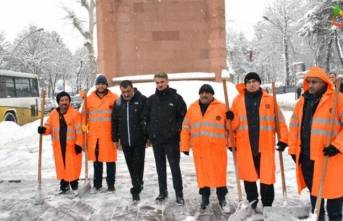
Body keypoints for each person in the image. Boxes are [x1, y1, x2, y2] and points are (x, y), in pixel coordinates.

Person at [288, 67, 343, 221]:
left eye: (314, 82)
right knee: (314, 193)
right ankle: (318, 217)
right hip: (307, 156)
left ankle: (335, 218)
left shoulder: (338, 99)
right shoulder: (302, 102)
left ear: (324, 82)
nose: (310, 85)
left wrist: (338, 146)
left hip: (330, 156)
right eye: (308, 82)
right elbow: (294, 126)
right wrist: (293, 150)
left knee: (333, 194)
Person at [229, 72, 288, 212]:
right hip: (245, 145)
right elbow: (232, 127)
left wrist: (284, 139)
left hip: (265, 145)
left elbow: (279, 121)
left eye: (254, 81)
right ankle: (252, 202)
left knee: (266, 177)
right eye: (248, 81)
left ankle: (267, 205)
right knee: (249, 176)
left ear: (259, 83)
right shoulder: (237, 100)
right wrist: (230, 119)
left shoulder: (269, 99)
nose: (251, 84)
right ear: (245, 84)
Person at [180, 84, 231, 211]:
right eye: (202, 92)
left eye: (207, 92)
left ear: (212, 94)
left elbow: (231, 128)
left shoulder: (222, 107)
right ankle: (205, 197)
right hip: (200, 149)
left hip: (217, 149)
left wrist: (232, 119)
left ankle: (222, 198)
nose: (204, 94)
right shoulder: (193, 108)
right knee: (202, 175)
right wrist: (185, 145)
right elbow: (186, 128)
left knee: (219, 175)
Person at [143, 72, 187, 205]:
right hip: (157, 141)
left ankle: (179, 194)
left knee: (175, 168)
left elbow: (183, 118)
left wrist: (175, 130)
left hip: (172, 141)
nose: (160, 85)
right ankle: (163, 191)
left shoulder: (176, 98)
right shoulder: (151, 100)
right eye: (157, 82)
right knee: (160, 167)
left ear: (167, 81)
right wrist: (150, 133)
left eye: (162, 82)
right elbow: (145, 118)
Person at [38, 91, 83, 194]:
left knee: (72, 167)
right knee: (61, 166)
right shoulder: (53, 114)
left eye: (66, 100)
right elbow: (48, 127)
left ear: (69, 101)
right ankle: (64, 187)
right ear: (58, 102)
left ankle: (74, 186)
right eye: (62, 100)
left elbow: (79, 131)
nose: (64, 102)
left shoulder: (75, 114)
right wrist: (43, 129)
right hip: (59, 146)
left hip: (72, 147)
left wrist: (79, 144)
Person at [112, 80, 147, 202]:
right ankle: (138, 182)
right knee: (131, 165)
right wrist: (115, 139)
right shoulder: (118, 102)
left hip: (139, 139)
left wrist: (146, 137)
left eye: (128, 91)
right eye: (123, 92)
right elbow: (115, 121)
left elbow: (145, 119)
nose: (126, 94)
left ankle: (135, 189)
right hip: (125, 141)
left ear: (133, 89)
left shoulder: (142, 100)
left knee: (138, 164)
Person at [83, 74, 118, 192]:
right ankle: (97, 184)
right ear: (96, 85)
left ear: (106, 85)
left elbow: (119, 117)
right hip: (94, 136)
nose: (101, 86)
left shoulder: (114, 98)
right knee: (97, 161)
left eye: (103, 84)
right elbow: (84, 117)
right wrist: (84, 132)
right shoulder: (89, 99)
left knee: (110, 161)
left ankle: (111, 184)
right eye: (98, 84)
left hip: (109, 136)